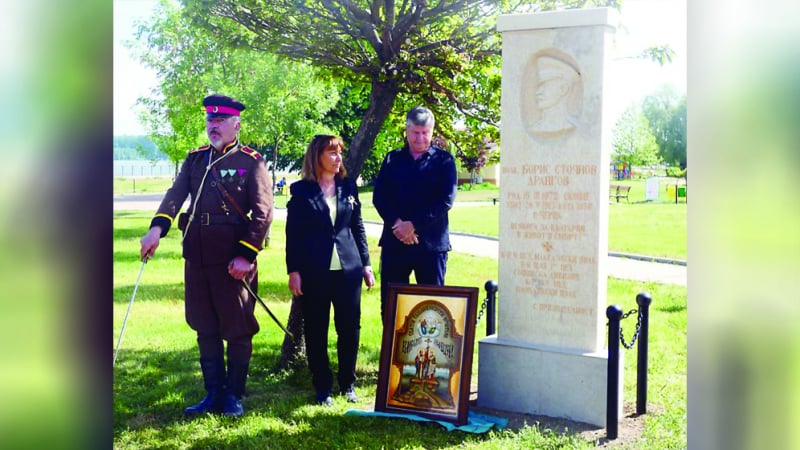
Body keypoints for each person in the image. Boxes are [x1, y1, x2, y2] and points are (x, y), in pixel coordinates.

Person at [139, 94, 273, 418]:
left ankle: (234, 396)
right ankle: (212, 393)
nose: (213, 126)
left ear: (235, 125)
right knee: (205, 326)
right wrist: (156, 229)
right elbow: (175, 196)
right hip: (197, 258)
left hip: (232, 264)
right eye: (210, 121)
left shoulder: (250, 161)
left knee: (238, 327)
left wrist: (246, 256)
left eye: (220, 121)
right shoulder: (195, 159)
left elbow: (263, 213)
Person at [285, 134, 375, 406]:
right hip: (315, 271)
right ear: (318, 157)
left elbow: (357, 227)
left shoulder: (348, 187)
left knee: (349, 328)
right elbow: (294, 234)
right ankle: (322, 386)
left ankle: (347, 382)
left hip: (349, 270)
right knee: (316, 329)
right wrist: (294, 271)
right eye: (332, 153)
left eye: (340, 153)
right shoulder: (301, 190)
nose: (338, 158)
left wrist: (367, 263)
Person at [372, 106, 458, 323]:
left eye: (425, 132)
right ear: (407, 131)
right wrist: (398, 224)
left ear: (432, 131)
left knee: (431, 308)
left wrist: (414, 225)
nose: (420, 138)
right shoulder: (392, 160)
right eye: (415, 132)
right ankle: (392, 356)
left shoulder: (444, 161)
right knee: (392, 307)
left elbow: (446, 200)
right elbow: (379, 197)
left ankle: (427, 356)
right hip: (395, 243)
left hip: (431, 246)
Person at [530, 55, 581, 138]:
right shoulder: (535, 127)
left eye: (544, 85)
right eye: (539, 86)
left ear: (563, 89)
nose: (538, 92)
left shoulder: (572, 125)